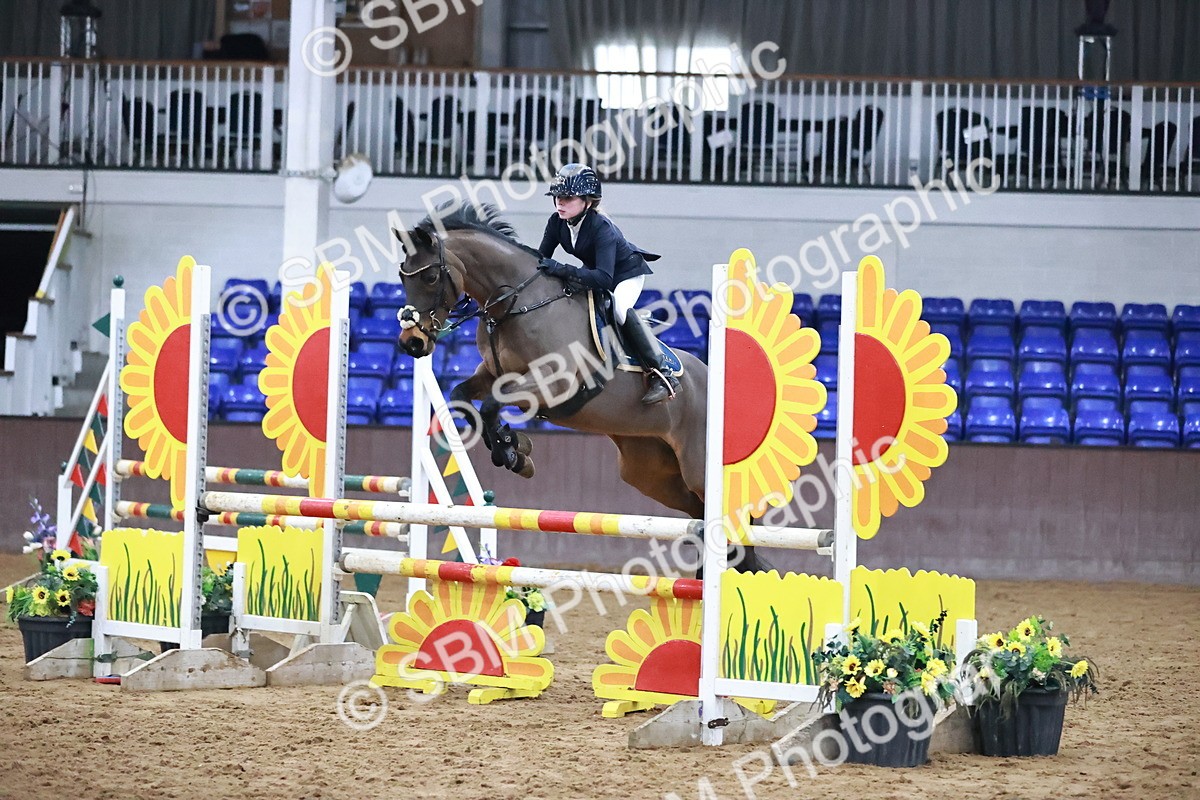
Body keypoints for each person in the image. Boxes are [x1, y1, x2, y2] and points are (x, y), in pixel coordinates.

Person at [536, 163, 681, 405]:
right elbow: (542, 259)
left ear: (588, 201)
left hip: (625, 274)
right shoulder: (556, 222)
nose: (560, 202)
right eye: (557, 197)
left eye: (568, 197)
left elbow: (604, 278)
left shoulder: (601, 227)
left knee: (620, 310)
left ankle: (662, 374)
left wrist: (561, 270)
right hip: (595, 271)